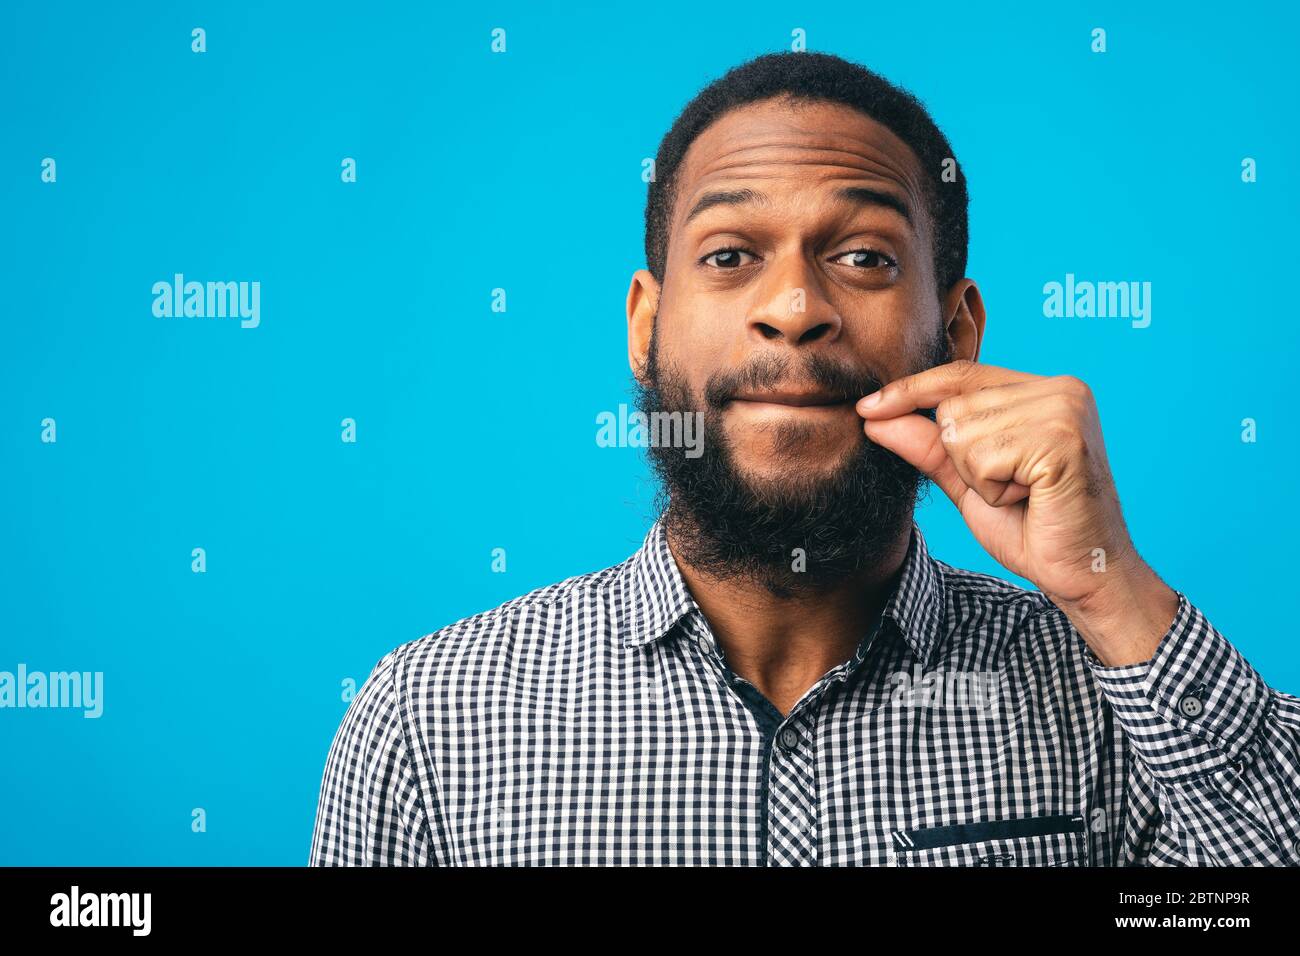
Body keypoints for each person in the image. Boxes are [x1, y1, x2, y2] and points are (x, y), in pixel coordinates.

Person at [309, 51, 1300, 866]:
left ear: (956, 334)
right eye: (731, 254)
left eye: (864, 257)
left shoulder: (1115, 705)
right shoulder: (429, 722)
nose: (792, 307)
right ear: (645, 325)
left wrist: (1110, 590)